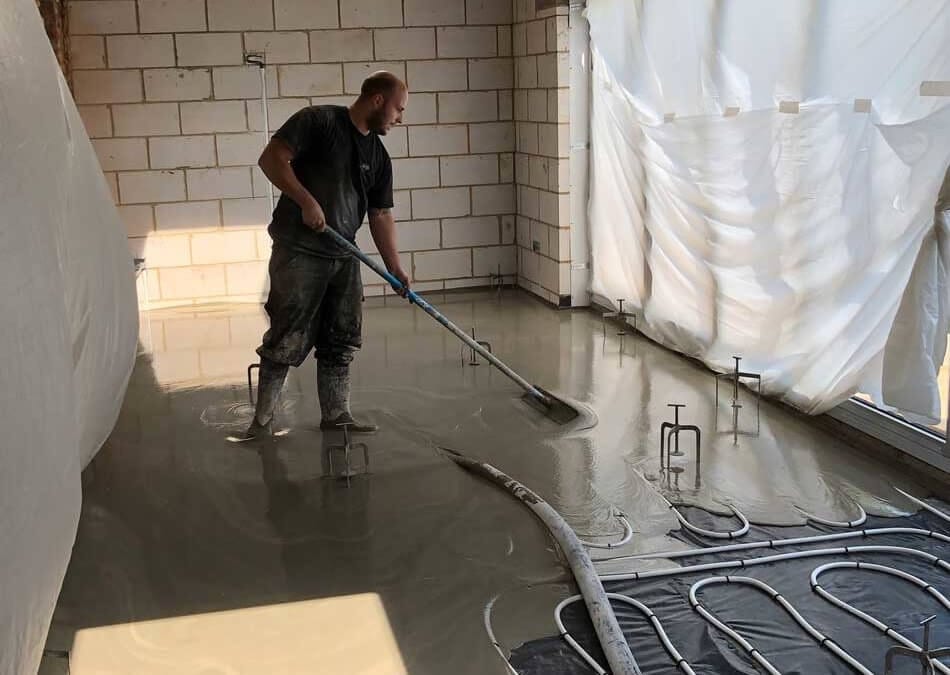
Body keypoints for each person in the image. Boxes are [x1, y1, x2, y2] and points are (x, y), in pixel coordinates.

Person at [242, 71, 410, 440]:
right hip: (299, 250)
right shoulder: (318, 122)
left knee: (341, 337)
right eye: (398, 109)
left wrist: (395, 267)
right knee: (286, 336)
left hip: (343, 252)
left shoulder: (379, 159)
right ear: (378, 100)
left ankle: (336, 415)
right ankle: (262, 423)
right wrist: (305, 200)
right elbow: (271, 158)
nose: (400, 118)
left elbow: (380, 214)